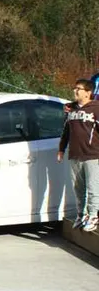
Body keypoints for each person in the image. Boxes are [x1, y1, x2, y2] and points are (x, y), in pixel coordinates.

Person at [58, 78, 99, 232]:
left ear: (88, 93)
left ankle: (93, 215)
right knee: (78, 188)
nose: (75, 91)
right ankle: (82, 214)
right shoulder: (71, 109)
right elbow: (66, 131)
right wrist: (61, 149)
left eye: (79, 89)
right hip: (75, 155)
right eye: (74, 88)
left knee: (93, 187)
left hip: (92, 155)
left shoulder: (96, 109)